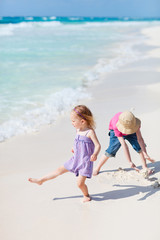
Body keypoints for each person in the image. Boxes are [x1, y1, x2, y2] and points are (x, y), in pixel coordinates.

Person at [28, 105, 101, 202]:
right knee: (58, 170)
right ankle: (41, 180)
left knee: (79, 184)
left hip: (85, 162)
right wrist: (74, 148)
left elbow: (98, 145)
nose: (72, 123)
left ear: (82, 121)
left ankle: (86, 195)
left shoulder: (89, 132)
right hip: (75, 159)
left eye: (73, 121)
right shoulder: (78, 130)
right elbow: (78, 142)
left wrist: (95, 154)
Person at [93, 111, 155, 176]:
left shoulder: (134, 123)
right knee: (111, 150)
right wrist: (130, 162)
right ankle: (97, 168)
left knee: (139, 147)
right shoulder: (116, 126)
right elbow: (124, 145)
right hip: (117, 132)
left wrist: (145, 154)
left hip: (132, 128)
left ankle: (145, 167)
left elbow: (140, 139)